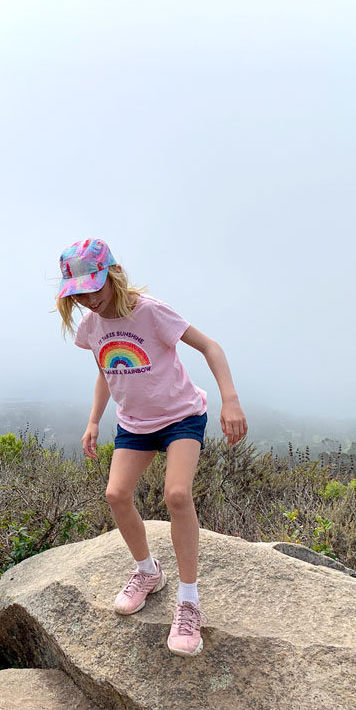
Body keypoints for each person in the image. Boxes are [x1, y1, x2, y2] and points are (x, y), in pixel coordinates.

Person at [56, 238, 247, 657]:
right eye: (80, 293)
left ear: (114, 275)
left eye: (95, 287)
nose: (89, 299)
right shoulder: (91, 325)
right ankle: (148, 571)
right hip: (135, 424)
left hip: (181, 416)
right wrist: (94, 421)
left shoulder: (150, 311)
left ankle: (188, 600)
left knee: (176, 494)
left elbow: (210, 346)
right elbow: (107, 369)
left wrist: (230, 400)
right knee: (116, 494)